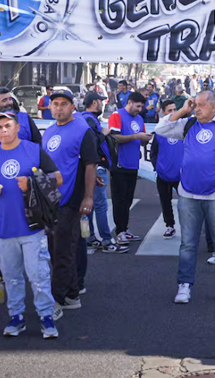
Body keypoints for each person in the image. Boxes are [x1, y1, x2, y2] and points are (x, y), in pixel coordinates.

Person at [153, 91, 215, 304]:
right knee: (188, 243)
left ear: (213, 107)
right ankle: (184, 284)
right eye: (194, 105)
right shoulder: (187, 124)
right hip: (188, 192)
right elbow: (160, 129)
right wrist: (182, 111)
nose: (196, 109)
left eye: (200, 105)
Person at [0, 111, 61, 339]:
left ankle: (46, 317)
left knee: (38, 275)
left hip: (32, 226)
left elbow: (58, 177)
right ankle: (17, 317)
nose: (4, 131)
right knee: (11, 277)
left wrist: (32, 182)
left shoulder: (33, 150)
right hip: (4, 228)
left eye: (8, 126)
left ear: (17, 128)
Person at [41, 88, 97, 310]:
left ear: (73, 107)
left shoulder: (82, 130)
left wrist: (88, 197)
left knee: (63, 250)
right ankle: (73, 294)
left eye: (64, 103)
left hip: (71, 199)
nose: (59, 107)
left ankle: (57, 299)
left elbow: (91, 164)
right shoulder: (49, 131)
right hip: (50, 199)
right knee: (56, 248)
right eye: (55, 104)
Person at [75, 91, 126, 254]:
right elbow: (92, 142)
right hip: (96, 166)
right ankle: (106, 240)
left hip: (89, 166)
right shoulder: (89, 119)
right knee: (100, 204)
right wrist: (103, 134)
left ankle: (90, 239)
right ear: (95, 103)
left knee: (89, 205)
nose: (103, 104)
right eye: (101, 101)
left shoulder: (84, 118)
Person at [108, 91, 152, 244]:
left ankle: (124, 229)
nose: (139, 109)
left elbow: (142, 140)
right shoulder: (117, 115)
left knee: (128, 200)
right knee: (119, 200)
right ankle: (119, 231)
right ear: (129, 102)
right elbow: (114, 138)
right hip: (119, 164)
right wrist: (136, 136)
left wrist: (146, 139)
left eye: (141, 107)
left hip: (133, 164)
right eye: (137, 106)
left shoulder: (140, 119)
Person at [0, 87, 43, 166]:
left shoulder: (25, 118)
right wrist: (1, 150)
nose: (9, 102)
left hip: (25, 170)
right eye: (4, 100)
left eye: (10, 99)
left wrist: (21, 148)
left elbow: (38, 143)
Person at [152, 100, 183, 239]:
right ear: (163, 112)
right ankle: (169, 226)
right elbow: (153, 152)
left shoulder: (183, 128)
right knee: (165, 202)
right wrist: (157, 167)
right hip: (163, 174)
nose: (173, 113)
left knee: (185, 204)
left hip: (181, 175)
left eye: (175, 109)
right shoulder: (159, 131)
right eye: (169, 110)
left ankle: (188, 226)